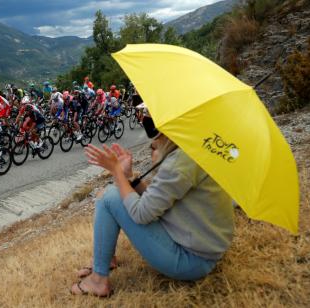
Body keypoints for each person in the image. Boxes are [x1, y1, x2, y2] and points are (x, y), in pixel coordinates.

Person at [72, 116, 234, 297]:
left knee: (108, 197)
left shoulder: (179, 163)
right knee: (111, 194)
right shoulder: (194, 150)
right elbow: (158, 201)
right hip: (204, 251)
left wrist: (116, 171)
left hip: (191, 262)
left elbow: (141, 213)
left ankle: (98, 280)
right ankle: (105, 259)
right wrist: (130, 177)